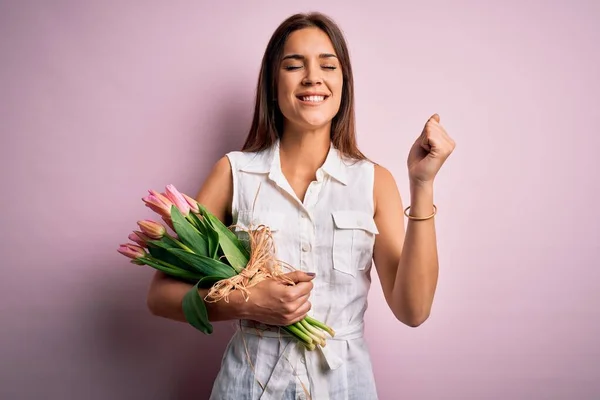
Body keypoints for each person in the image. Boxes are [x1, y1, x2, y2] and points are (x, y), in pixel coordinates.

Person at [146, 11, 455, 400]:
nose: (312, 77)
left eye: (328, 65)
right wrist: (249, 302)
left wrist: (422, 183)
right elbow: (160, 296)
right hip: (248, 389)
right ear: (273, 84)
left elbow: (413, 310)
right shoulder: (233, 173)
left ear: (343, 83)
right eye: (294, 65)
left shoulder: (374, 182)